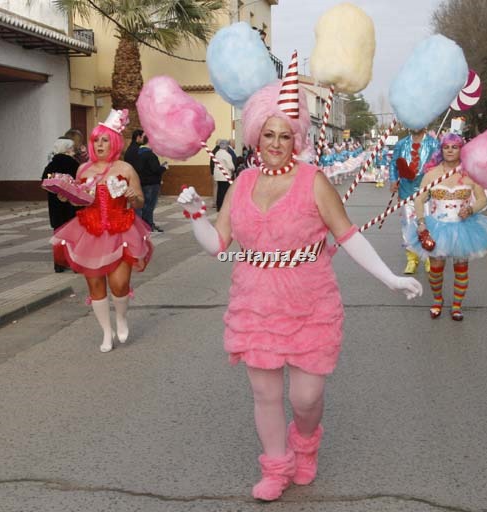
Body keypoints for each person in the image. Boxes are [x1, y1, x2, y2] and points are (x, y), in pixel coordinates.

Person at [176, 56, 422, 502]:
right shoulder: (242, 183)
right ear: (255, 136)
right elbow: (218, 243)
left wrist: (390, 277)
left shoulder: (314, 181)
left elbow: (347, 236)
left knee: (306, 398)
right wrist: (195, 215)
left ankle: (305, 445)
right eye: (268, 134)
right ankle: (276, 466)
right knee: (264, 393)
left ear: (297, 139)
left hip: (310, 300)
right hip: (256, 300)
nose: (275, 142)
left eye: (284, 135)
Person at [50, 110, 152, 352]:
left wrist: (132, 196)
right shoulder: (83, 170)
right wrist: (68, 197)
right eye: (96, 140)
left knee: (119, 284)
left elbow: (140, 202)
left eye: (105, 140)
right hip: (90, 231)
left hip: (120, 230)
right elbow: (79, 202)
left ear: (114, 142)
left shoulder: (125, 169)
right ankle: (106, 333)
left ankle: (121, 318)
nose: (100, 144)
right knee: (95, 286)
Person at [406, 133, 487, 321]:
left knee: (461, 267)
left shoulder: (470, 174)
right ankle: (437, 300)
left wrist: (471, 209)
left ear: (461, 150)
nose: (450, 150)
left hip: (463, 228)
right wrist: (422, 222)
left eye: (454, 147)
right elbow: (420, 199)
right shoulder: (431, 174)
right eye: (446, 147)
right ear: (441, 150)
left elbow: (482, 199)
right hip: (437, 226)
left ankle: (457, 306)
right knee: (436, 268)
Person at [389, 127, 440, 274]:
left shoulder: (433, 143)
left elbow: (440, 164)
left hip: (428, 192)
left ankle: (430, 257)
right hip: (406, 191)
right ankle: (412, 259)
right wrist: (393, 180)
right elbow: (393, 164)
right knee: (408, 225)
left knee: (428, 224)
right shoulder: (401, 144)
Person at [41, 138, 80, 272]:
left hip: (56, 205)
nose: (74, 151)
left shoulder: (51, 165)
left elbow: (44, 182)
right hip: (71, 205)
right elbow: (81, 182)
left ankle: (59, 264)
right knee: (73, 235)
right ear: (67, 149)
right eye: (72, 148)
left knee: (59, 234)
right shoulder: (74, 164)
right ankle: (74, 263)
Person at [136, 141, 167, 232]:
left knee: (144, 205)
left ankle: (143, 224)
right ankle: (148, 224)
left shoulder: (138, 155)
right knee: (150, 205)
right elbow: (155, 169)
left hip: (142, 183)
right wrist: (164, 167)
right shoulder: (150, 155)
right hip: (152, 184)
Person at [213, 139, 235, 210]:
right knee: (225, 192)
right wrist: (233, 169)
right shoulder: (227, 154)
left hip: (218, 175)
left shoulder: (217, 153)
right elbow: (231, 166)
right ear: (226, 146)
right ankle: (224, 207)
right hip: (225, 176)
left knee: (219, 191)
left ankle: (219, 206)